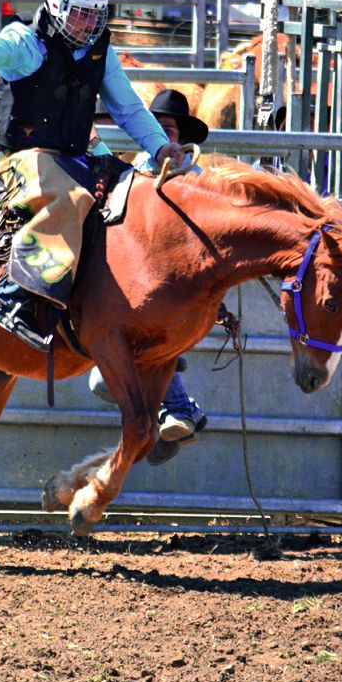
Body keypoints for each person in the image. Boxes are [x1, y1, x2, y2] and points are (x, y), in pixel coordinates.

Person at [0, 0, 185, 351]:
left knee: (136, 194)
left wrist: (160, 146)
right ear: (57, 6)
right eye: (80, 11)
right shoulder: (24, 42)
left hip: (75, 157)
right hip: (22, 158)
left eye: (96, 13)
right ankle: (13, 295)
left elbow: (129, 109)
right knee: (72, 197)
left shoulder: (101, 52)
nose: (88, 22)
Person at [88, 89, 210, 463]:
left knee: (111, 369)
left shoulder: (196, 177)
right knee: (111, 370)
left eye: (169, 128)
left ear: (181, 134)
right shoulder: (138, 167)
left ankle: (175, 413)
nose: (164, 133)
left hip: (176, 288)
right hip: (139, 283)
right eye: (156, 126)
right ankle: (177, 413)